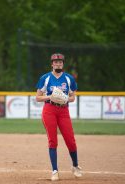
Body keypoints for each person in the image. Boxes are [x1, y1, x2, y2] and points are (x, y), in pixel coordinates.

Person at [36, 53, 82, 181]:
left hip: (63, 111)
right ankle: (55, 170)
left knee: (70, 141)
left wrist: (66, 98)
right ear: (52, 64)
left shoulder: (68, 78)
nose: (58, 64)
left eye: (60, 62)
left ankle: (75, 165)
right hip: (49, 110)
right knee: (52, 141)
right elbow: (38, 97)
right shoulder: (45, 78)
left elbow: (73, 97)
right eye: (56, 62)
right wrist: (50, 97)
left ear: (63, 64)